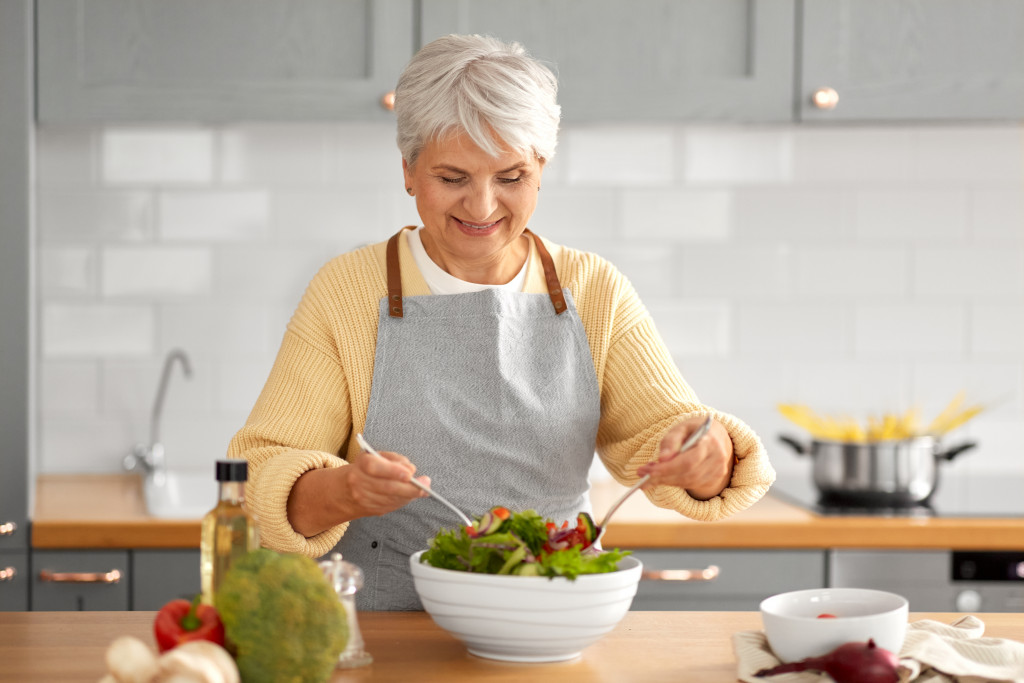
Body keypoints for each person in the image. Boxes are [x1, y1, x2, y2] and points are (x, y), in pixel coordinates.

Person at [226, 33, 775, 611]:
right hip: (389, 635)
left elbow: (672, 435)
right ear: (409, 171)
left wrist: (706, 455)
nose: (482, 207)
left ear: (541, 167)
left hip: (555, 619)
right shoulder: (349, 292)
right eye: (452, 178)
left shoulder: (594, 290)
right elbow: (260, 476)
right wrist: (344, 491)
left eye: (510, 178)